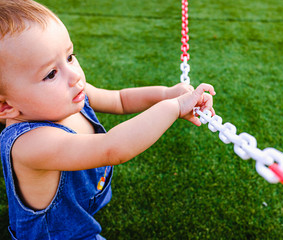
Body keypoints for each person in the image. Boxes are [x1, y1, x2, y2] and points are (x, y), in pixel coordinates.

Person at [0, 0, 216, 239]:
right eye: (51, 74)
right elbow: (113, 149)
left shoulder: (69, 94)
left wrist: (166, 93)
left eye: (70, 57)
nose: (74, 76)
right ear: (6, 106)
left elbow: (120, 100)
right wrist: (173, 107)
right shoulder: (30, 143)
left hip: (81, 204)